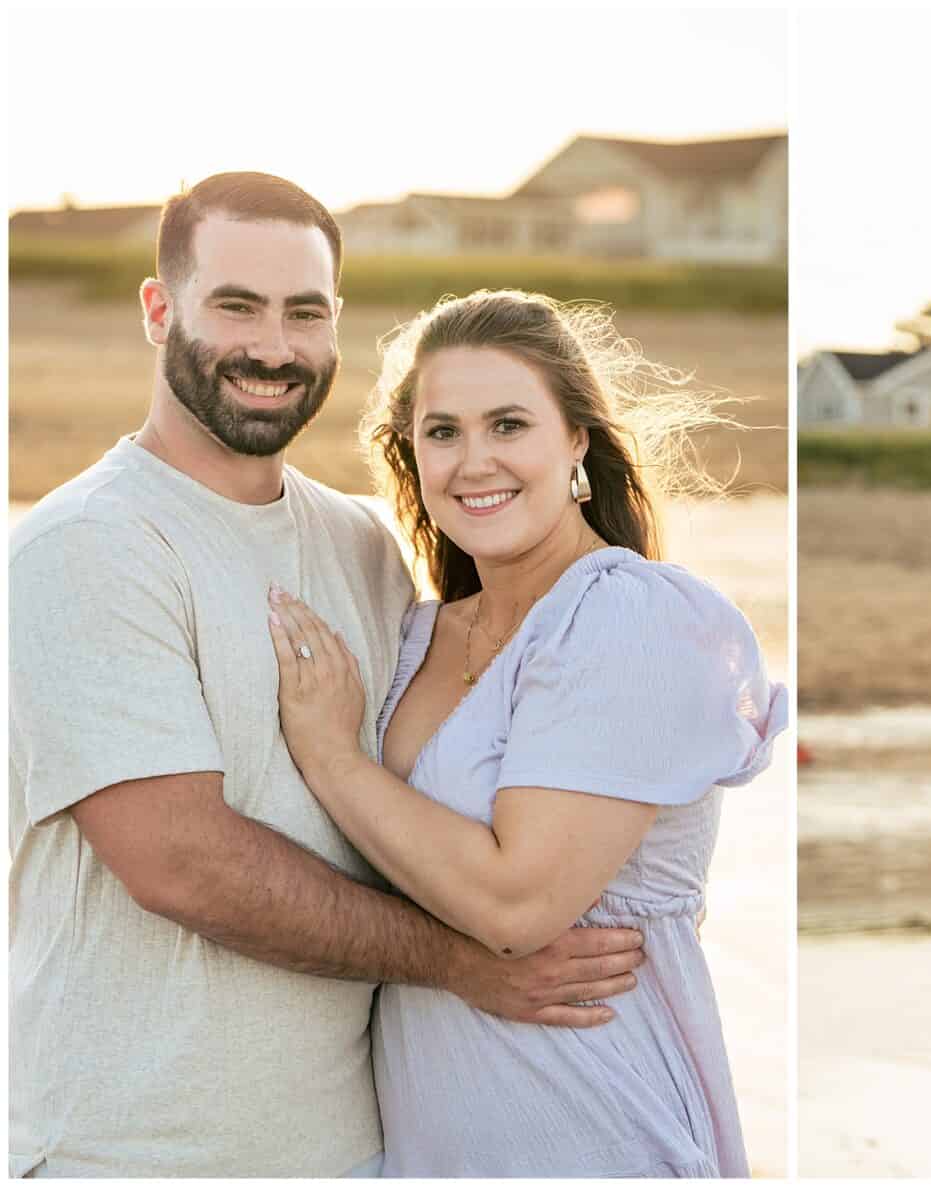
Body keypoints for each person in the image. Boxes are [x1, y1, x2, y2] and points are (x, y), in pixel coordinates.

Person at [8, 173, 645, 1178]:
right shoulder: (89, 546)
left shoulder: (360, 543)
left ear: (335, 323)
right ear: (157, 308)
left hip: (352, 1146)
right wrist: (468, 964)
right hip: (133, 1151)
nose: (273, 346)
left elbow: (442, 794)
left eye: (304, 312)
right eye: (236, 306)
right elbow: (183, 860)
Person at [268, 288, 787, 1177]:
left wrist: (331, 756)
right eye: (442, 432)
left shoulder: (630, 618)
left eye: (509, 425)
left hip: (598, 1134)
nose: (474, 462)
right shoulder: (413, 636)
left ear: (577, 440)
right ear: (411, 454)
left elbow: (517, 906)